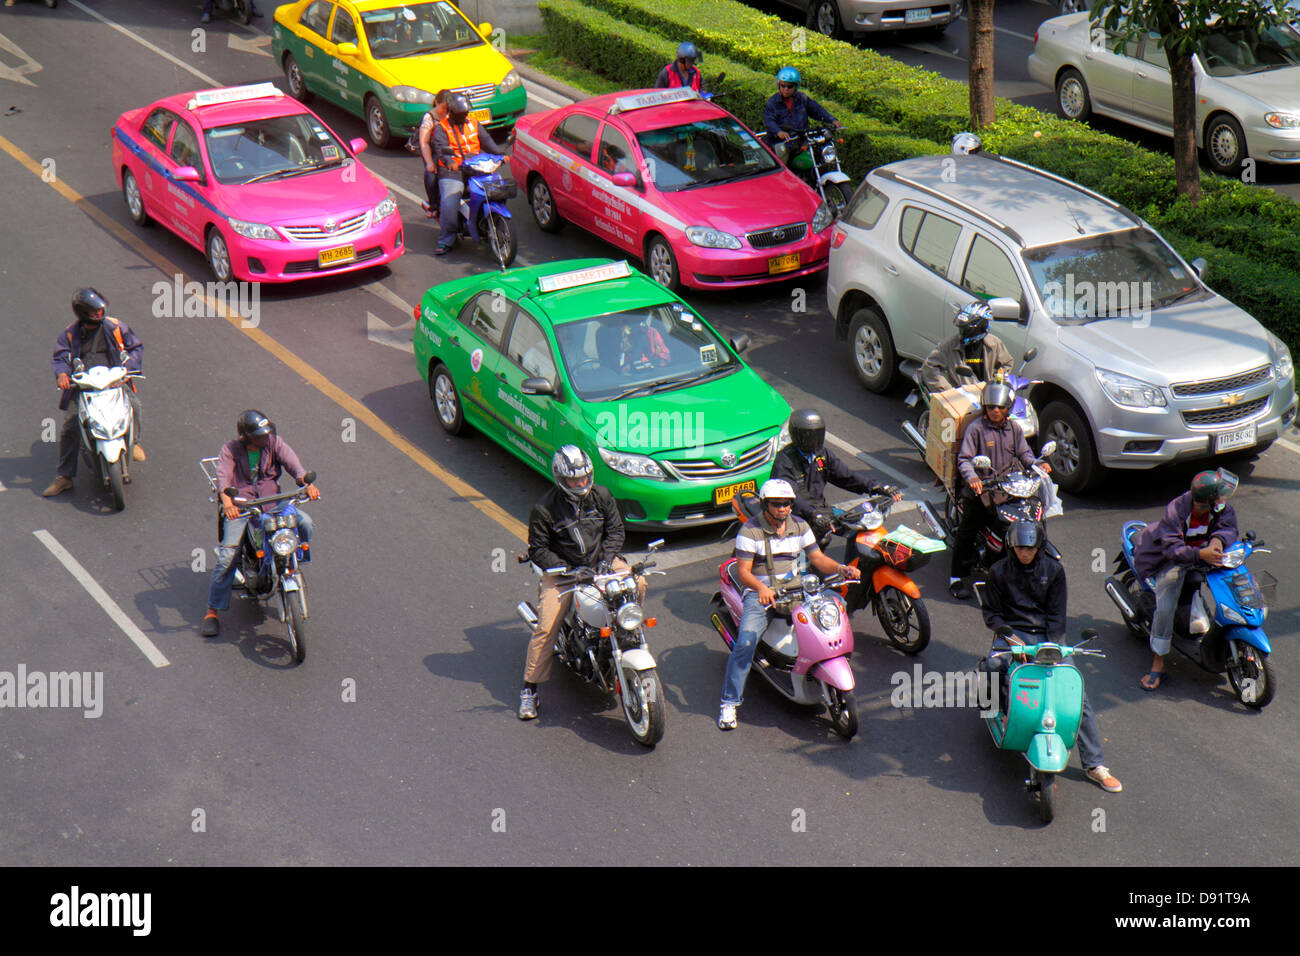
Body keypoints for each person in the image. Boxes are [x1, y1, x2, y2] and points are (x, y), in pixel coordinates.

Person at [981, 519, 1122, 793]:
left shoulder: (1054, 570)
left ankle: (1095, 765)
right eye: (1020, 548)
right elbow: (992, 615)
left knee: (1075, 693)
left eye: (1029, 548)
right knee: (993, 664)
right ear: (1012, 546)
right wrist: (1013, 640)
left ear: (1039, 547)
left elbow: (1058, 616)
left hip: (1047, 635)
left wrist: (1052, 649)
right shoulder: (997, 572)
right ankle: (1000, 714)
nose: (1025, 553)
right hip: (1013, 633)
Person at [718, 478, 860, 730]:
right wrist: (761, 588)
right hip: (761, 592)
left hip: (797, 586)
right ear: (765, 505)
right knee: (746, 643)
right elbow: (743, 572)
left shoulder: (800, 525)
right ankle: (729, 703)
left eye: (787, 504)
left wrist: (841, 568)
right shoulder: (750, 531)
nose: (782, 508)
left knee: (834, 606)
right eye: (776, 504)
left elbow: (817, 557)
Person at [520, 445, 645, 721]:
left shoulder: (601, 495)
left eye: (585, 477)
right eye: (574, 480)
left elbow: (615, 530)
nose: (581, 484)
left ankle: (626, 631)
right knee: (547, 625)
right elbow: (538, 549)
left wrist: (605, 559)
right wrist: (570, 569)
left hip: (602, 561)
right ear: (561, 479)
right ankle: (529, 690)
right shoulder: (544, 509)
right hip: (565, 570)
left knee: (639, 584)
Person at [200, 411, 319, 638]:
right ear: (245, 437)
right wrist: (228, 503)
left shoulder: (274, 443)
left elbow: (295, 467)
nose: (265, 439)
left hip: (272, 502)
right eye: (259, 436)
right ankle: (212, 610)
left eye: (266, 434)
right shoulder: (230, 450)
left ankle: (291, 562)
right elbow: (224, 480)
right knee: (227, 557)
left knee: (305, 523)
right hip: (243, 507)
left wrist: (306, 483)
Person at [1132, 469, 1239, 691]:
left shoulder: (1220, 507)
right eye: (1218, 497)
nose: (1223, 501)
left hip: (1202, 552)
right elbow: (1172, 549)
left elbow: (1228, 526)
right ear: (1205, 502)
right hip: (1168, 559)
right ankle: (1158, 661)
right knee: (1166, 606)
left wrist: (1217, 542)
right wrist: (1200, 554)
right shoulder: (1176, 510)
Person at [949, 382, 1050, 599]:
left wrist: (1037, 465)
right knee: (966, 531)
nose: (996, 411)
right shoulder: (976, 429)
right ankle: (956, 577)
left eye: (1001, 407)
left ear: (1008, 408)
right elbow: (965, 459)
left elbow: (1025, 454)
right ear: (985, 407)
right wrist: (973, 477)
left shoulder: (1014, 429)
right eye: (992, 406)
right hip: (982, 490)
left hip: (1008, 486)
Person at [45, 288, 145, 498]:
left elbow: (135, 348)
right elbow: (60, 358)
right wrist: (62, 374)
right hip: (84, 386)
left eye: (101, 310)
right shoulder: (70, 334)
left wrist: (129, 367)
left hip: (113, 380)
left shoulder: (116, 327)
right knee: (70, 426)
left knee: (134, 405)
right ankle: (64, 477)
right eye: (95, 311)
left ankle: (133, 442)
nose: (100, 314)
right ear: (83, 313)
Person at [770, 408, 901, 551]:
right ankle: (810, 571)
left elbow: (846, 476)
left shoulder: (822, 455)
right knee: (820, 541)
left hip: (822, 511)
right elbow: (791, 497)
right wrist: (814, 515)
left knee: (858, 528)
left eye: (817, 435)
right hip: (796, 515)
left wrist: (877, 487)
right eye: (810, 436)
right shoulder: (785, 461)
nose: (814, 440)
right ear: (798, 436)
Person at [432, 92, 512, 256]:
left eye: (466, 113)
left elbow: (487, 141)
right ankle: (447, 239)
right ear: (452, 113)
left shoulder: (474, 123)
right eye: (461, 114)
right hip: (453, 171)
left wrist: (500, 154)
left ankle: (490, 221)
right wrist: (450, 162)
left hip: (476, 167)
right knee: (450, 202)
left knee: (496, 189)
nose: (464, 117)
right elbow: (442, 150)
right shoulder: (441, 128)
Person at [919, 302, 1014, 393]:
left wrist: (994, 382)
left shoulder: (994, 344)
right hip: (960, 400)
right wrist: (949, 391)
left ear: (980, 328)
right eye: (961, 329)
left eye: (966, 330)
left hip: (986, 396)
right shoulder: (948, 345)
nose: (962, 333)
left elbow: (1007, 363)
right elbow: (929, 367)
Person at [762, 67, 840, 164]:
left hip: (801, 142)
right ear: (779, 85)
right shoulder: (772, 102)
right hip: (781, 143)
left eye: (789, 86)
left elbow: (817, 110)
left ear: (796, 86)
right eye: (783, 85)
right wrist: (779, 132)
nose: (786, 89)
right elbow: (769, 121)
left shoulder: (802, 99)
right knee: (781, 167)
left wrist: (832, 120)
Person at [417, 89, 451, 219]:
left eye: (447, 109)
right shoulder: (429, 118)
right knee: (431, 173)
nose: (445, 112)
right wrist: (430, 162)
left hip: (447, 149)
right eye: (443, 108)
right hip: (432, 151)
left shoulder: (450, 115)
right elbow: (424, 142)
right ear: (436, 103)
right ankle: (433, 204)